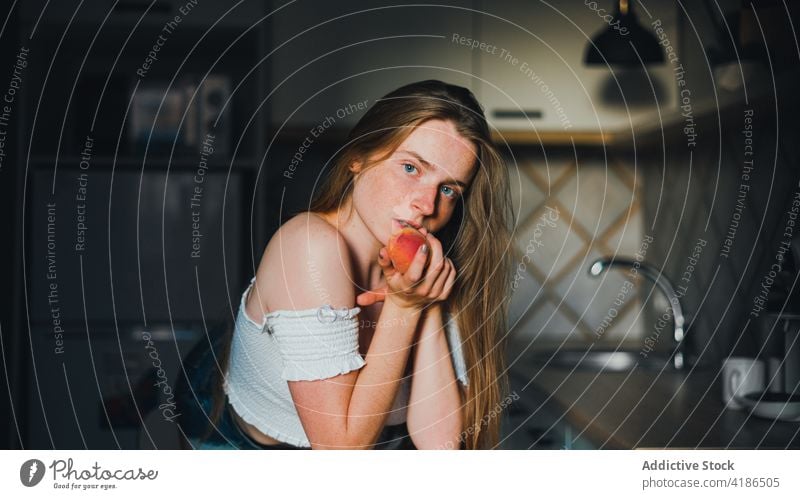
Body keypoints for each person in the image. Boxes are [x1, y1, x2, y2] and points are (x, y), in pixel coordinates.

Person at [179, 80, 513, 450]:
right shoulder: (308, 244)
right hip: (231, 434)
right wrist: (404, 308)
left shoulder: (429, 272)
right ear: (358, 158)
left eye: (449, 189)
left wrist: (424, 305)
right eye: (410, 168)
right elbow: (340, 453)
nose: (427, 204)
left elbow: (442, 447)